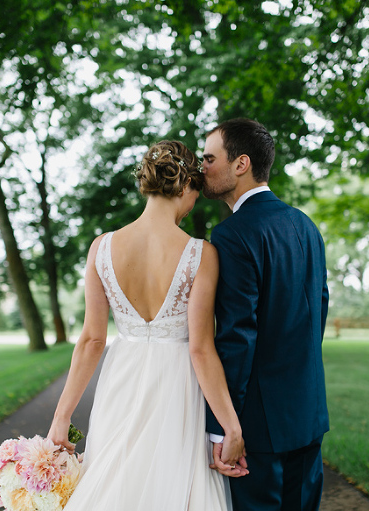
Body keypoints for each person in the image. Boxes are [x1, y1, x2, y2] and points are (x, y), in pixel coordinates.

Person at [47, 140, 245, 510]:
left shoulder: (101, 248)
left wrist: (62, 417)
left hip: (121, 381)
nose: (191, 207)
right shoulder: (201, 254)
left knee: (116, 482)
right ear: (185, 187)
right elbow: (201, 350)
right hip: (178, 388)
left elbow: (91, 340)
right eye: (195, 196)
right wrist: (231, 427)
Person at [202, 118, 330, 511]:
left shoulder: (232, 234)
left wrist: (221, 427)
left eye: (209, 158)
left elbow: (236, 337)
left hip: (258, 428)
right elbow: (319, 307)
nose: (201, 167)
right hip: (307, 412)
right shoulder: (305, 226)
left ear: (241, 164)